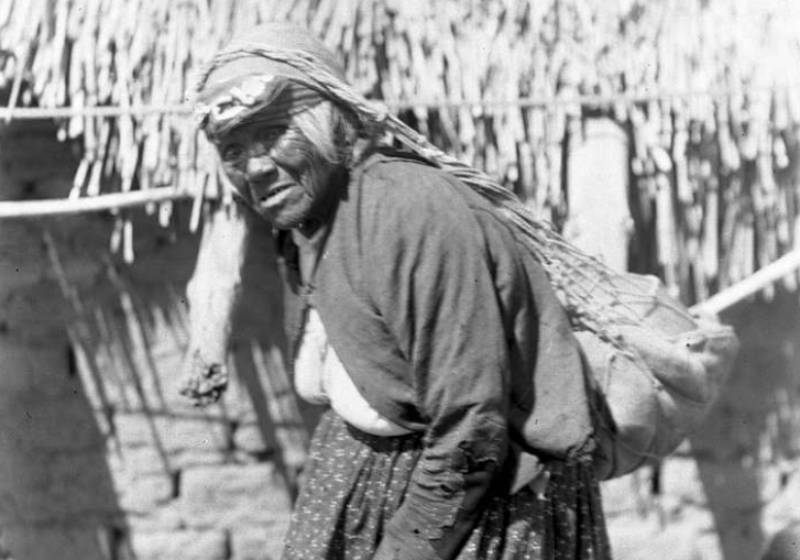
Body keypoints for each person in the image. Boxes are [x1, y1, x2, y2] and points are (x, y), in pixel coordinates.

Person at [188, 22, 611, 560]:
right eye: (232, 148)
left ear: (328, 122)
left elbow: (471, 432)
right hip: (376, 485)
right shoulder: (309, 223)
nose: (255, 167)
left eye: (273, 133)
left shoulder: (407, 211)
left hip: (477, 514)